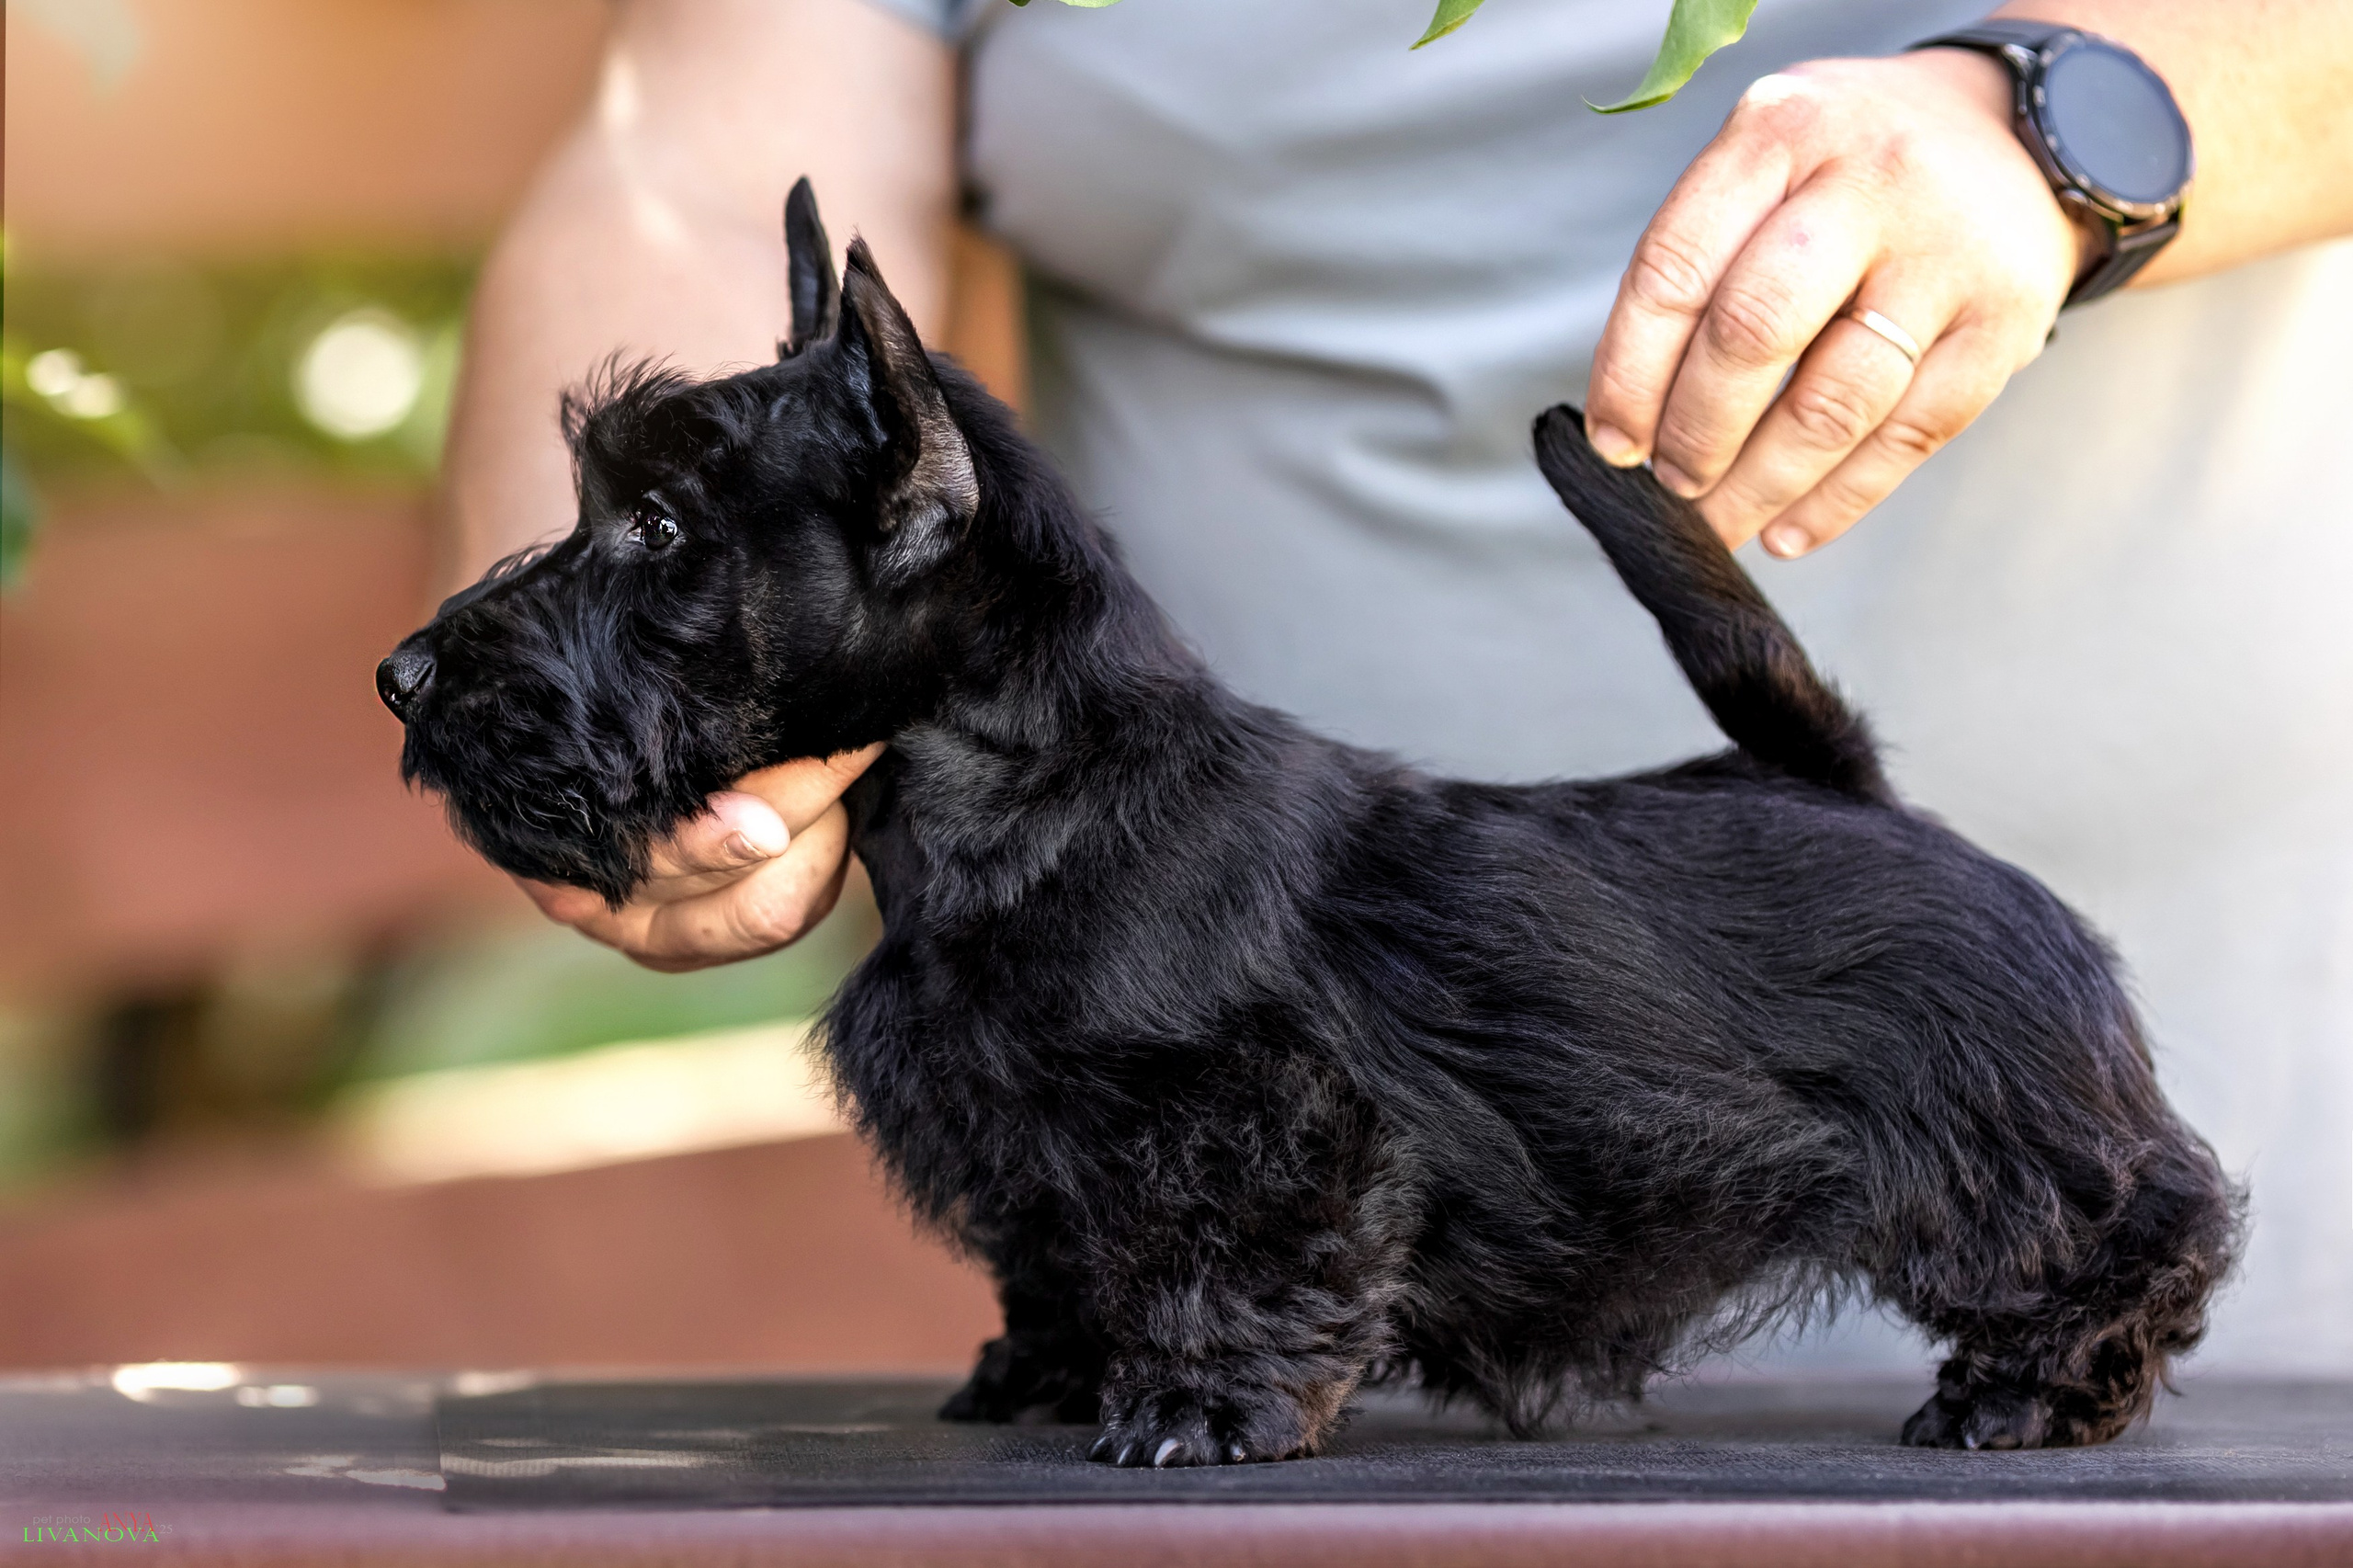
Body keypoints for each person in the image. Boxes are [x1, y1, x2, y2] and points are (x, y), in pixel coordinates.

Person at [440, 0, 2353, 1372]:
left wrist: (2072, 116)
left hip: (2246, 1017)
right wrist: (641, 636)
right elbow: (687, 152)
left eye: (654, 547)